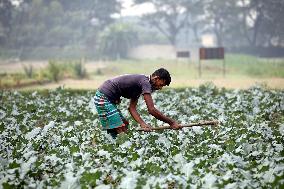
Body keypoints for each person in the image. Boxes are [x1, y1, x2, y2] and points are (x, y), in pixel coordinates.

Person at [94, 68, 182, 138]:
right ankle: (117, 147)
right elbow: (151, 110)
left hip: (108, 99)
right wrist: (171, 122)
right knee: (120, 128)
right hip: (103, 98)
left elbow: (132, 108)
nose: (160, 88)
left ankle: (114, 144)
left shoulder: (140, 85)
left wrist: (142, 124)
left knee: (125, 124)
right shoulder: (145, 83)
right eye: (161, 84)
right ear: (156, 78)